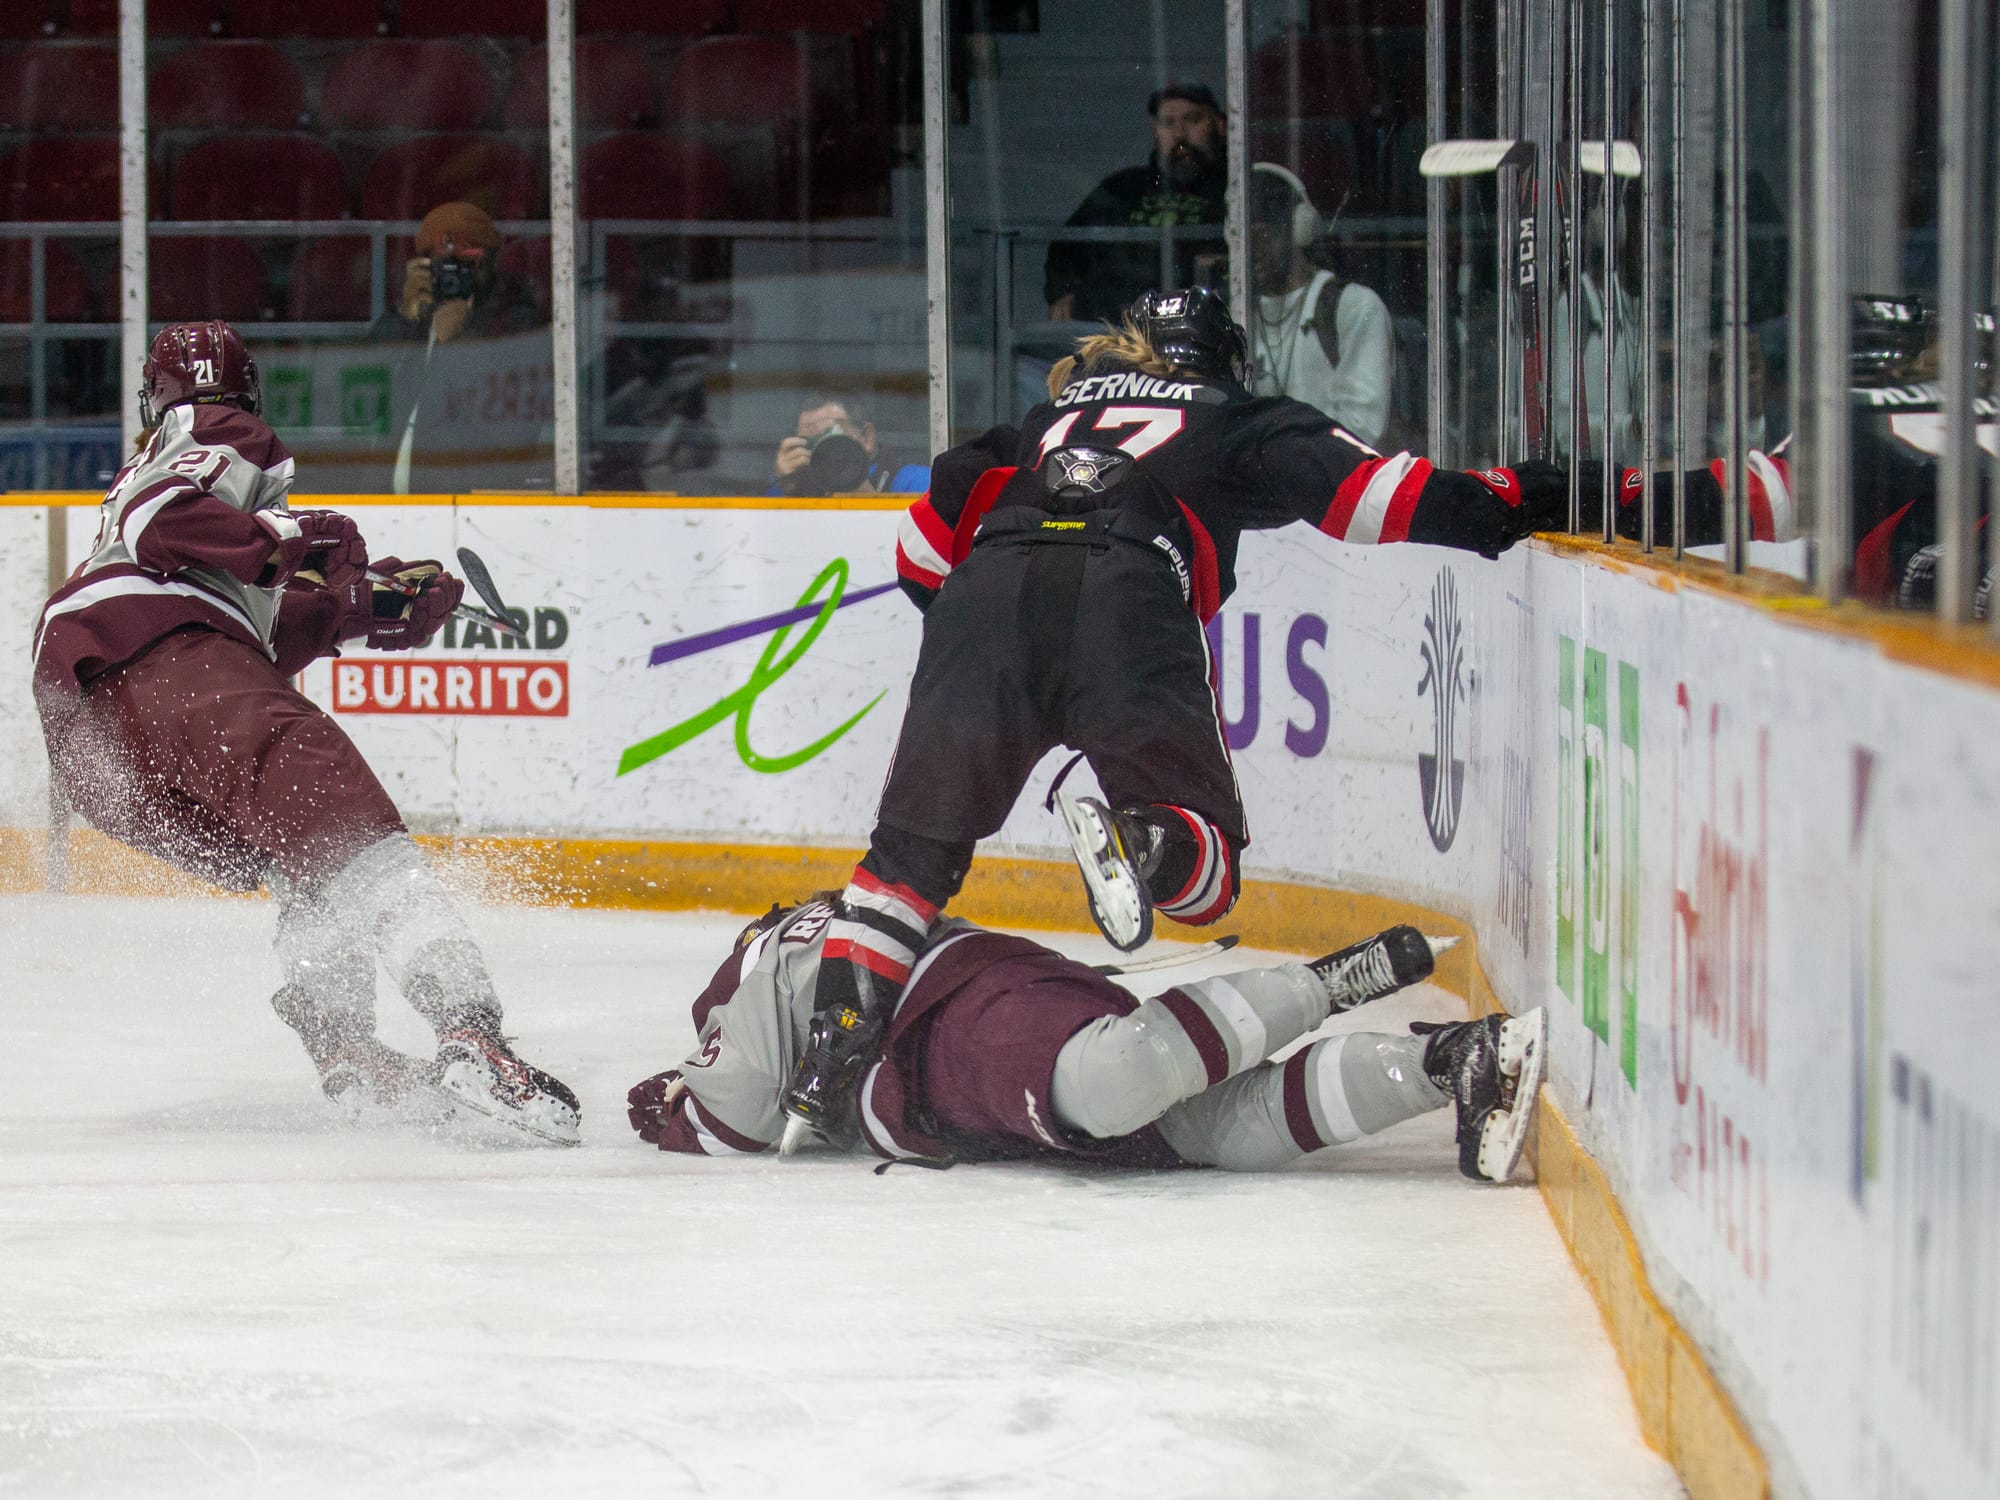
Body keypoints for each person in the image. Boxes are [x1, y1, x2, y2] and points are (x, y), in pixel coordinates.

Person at [779, 286, 1571, 1147]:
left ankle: (829, 1062)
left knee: (905, 865)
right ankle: (1145, 842)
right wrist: (1539, 494)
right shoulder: (1238, 418)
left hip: (984, 594)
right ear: (1222, 360)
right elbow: (1389, 501)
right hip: (1126, 591)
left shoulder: (1040, 420)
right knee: (1209, 874)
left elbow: (920, 559)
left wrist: (991, 643)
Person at [30, 320, 579, 1146]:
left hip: (97, 752)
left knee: (304, 853)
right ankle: (472, 1037)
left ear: (153, 393)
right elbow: (167, 519)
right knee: (357, 841)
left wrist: (373, 605)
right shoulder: (216, 431)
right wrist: (300, 533)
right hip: (169, 671)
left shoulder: (157, 516)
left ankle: (347, 1050)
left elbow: (240, 606)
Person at [629, 901, 1548, 1182]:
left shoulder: (758, 965)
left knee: (1112, 1081)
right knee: (1210, 1130)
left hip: (951, 1018)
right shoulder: (808, 938)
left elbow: (739, 1115)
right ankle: (1447, 1064)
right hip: (968, 1065)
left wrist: (672, 1102)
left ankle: (1326, 983)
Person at [370, 201, 549, 493]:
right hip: (394, 499)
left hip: (471, 501)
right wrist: (403, 314)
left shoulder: (516, 320)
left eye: (466, 265)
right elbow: (367, 376)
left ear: (490, 262)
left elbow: (509, 423)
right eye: (442, 265)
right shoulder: (417, 315)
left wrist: (460, 339)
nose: (454, 277)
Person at [1043, 82, 1230, 325]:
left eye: (1193, 119)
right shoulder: (1123, 188)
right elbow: (1067, 246)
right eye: (1168, 123)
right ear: (1155, 131)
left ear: (1220, 125)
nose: (1180, 133)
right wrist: (1063, 293)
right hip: (1110, 331)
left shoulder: (1235, 191)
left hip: (1194, 328)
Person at [1248, 161, 1395, 448]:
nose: (1254, 250)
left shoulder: (1353, 307)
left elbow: (1362, 428)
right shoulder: (1237, 314)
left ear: (1300, 229)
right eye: (1244, 238)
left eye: (1264, 236)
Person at [769, 391, 929, 497]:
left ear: (867, 437)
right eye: (811, 442)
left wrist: (863, 492)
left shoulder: (916, 482)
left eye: (830, 436)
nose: (823, 450)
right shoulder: (793, 483)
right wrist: (787, 486)